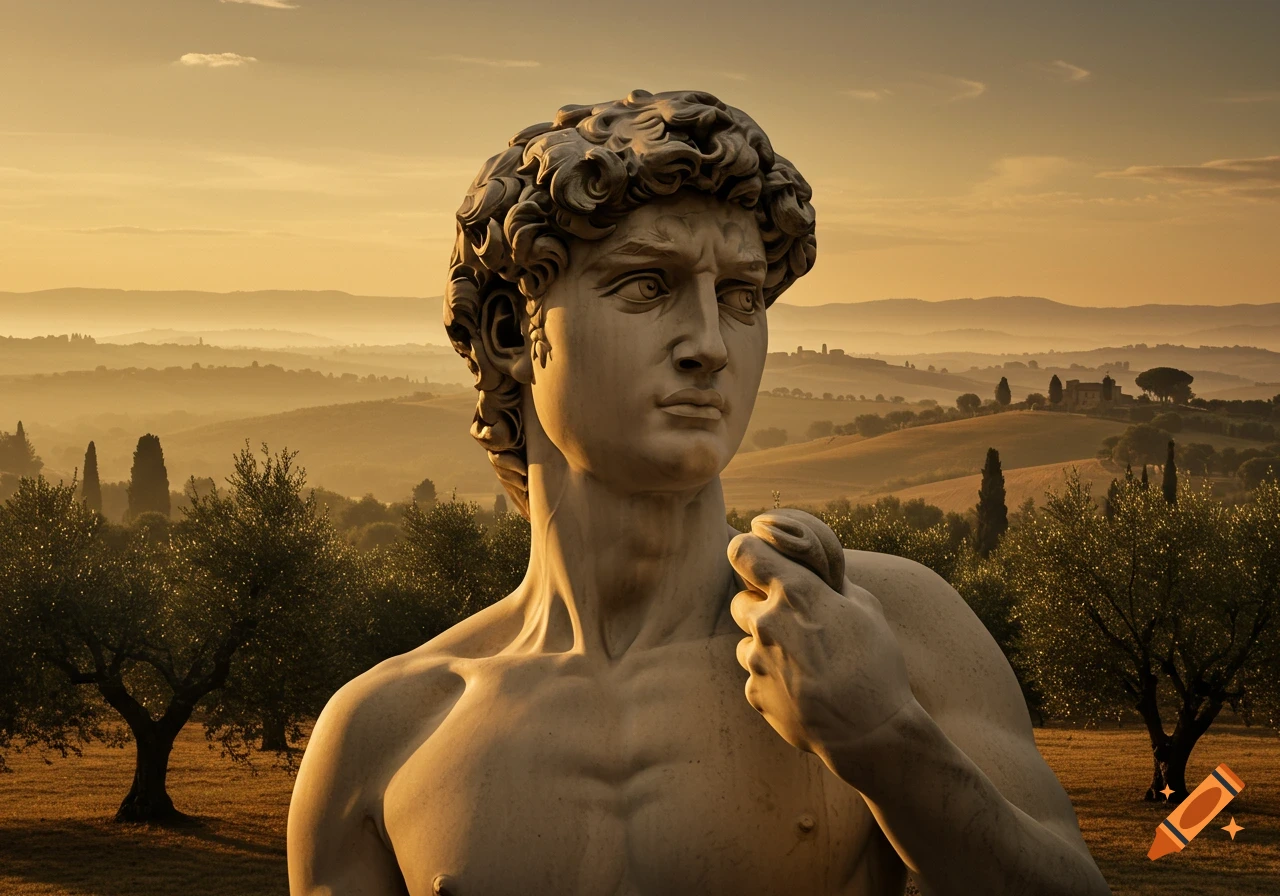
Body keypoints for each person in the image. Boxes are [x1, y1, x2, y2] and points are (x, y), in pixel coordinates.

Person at [288, 89, 1109, 895]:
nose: (710, 345)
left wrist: (883, 739)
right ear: (511, 330)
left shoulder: (888, 625)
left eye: (742, 298)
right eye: (648, 285)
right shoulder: (383, 737)